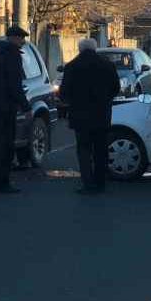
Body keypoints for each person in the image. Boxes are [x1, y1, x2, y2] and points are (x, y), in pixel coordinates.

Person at [59, 38, 121, 194]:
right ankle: (100, 182)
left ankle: (87, 183)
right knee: (101, 149)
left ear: (79, 49)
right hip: (102, 114)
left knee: (84, 149)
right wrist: (106, 100)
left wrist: (72, 102)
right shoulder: (107, 65)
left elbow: (64, 92)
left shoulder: (72, 66)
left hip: (80, 115)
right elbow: (116, 88)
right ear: (95, 49)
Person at [0, 25, 30, 193]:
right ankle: (3, 182)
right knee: (6, 146)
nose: (23, 42)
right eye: (21, 38)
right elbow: (14, 84)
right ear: (14, 38)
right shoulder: (12, 55)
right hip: (6, 108)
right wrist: (25, 106)